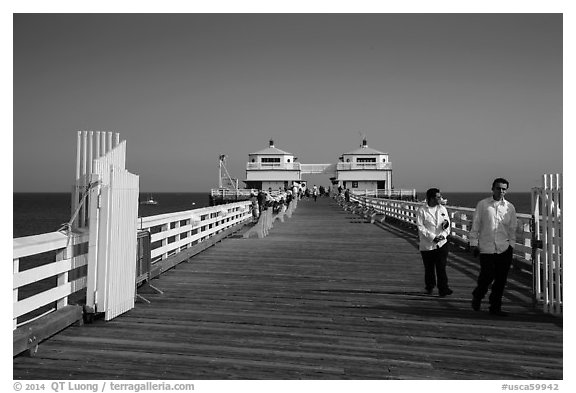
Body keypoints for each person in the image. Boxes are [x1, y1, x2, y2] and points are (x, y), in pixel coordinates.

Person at [469, 178, 517, 316]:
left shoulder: (510, 207)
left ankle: (495, 307)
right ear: (492, 189)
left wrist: (511, 246)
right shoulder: (483, 205)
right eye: (498, 188)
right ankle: (478, 295)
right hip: (487, 248)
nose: (501, 191)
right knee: (487, 276)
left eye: (504, 189)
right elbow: (476, 224)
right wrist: (473, 243)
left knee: (501, 280)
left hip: (504, 248)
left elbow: (512, 229)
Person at [416, 188, 453, 296]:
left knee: (441, 266)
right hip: (427, 244)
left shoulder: (443, 209)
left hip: (442, 243)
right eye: (438, 197)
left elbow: (447, 224)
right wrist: (432, 237)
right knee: (429, 268)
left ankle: (443, 288)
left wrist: (443, 235)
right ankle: (430, 286)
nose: (440, 199)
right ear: (432, 198)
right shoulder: (422, 210)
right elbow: (420, 227)